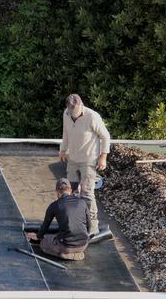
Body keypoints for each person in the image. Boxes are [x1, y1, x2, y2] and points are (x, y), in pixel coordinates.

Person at [59, 94, 110, 236]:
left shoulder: (92, 116)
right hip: (73, 158)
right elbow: (66, 134)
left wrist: (103, 157)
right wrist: (63, 150)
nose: (73, 116)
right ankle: (74, 221)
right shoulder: (66, 114)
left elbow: (105, 137)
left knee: (87, 192)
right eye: (71, 113)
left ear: (81, 106)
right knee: (70, 190)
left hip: (89, 159)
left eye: (75, 114)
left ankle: (93, 227)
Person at [28, 178, 91, 261]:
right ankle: (77, 251)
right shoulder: (82, 202)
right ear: (71, 190)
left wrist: (38, 236)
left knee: (44, 242)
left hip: (66, 247)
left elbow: (45, 225)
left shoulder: (54, 205)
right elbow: (89, 225)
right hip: (84, 244)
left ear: (57, 191)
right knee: (58, 235)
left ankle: (64, 254)